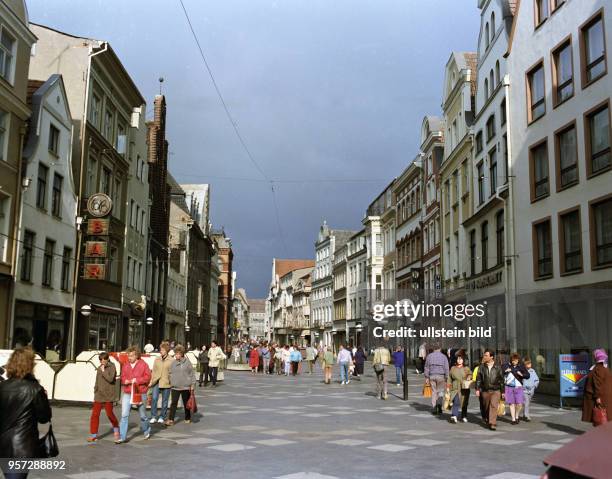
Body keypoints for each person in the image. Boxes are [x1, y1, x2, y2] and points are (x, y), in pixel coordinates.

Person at [0, 348, 52, 478]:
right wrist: (43, 398)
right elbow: (44, 417)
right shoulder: (35, 389)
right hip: (22, 446)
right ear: (29, 365)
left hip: (3, 444)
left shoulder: (2, 386)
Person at [117, 346, 151, 443]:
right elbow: (122, 377)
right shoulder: (126, 365)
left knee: (143, 415)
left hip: (140, 392)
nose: (129, 358)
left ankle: (146, 429)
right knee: (124, 415)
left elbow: (148, 377)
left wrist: (137, 380)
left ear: (136, 355)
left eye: (131, 356)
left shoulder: (143, 364)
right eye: (128, 356)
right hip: (128, 392)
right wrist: (125, 381)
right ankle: (122, 437)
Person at [88, 352, 119, 442]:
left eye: (104, 359)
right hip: (99, 395)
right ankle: (93, 434)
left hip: (108, 395)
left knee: (109, 414)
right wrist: (95, 390)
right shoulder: (99, 368)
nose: (102, 361)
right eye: (101, 359)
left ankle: (116, 427)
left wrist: (103, 371)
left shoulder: (112, 367)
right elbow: (97, 380)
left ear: (108, 358)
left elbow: (110, 379)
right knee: (95, 415)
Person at [166, 345, 196, 426]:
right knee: (173, 403)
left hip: (186, 387)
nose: (176, 355)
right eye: (176, 354)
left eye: (178, 354)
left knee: (186, 403)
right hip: (175, 387)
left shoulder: (187, 362)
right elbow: (169, 373)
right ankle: (171, 419)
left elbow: (192, 374)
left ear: (182, 354)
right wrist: (170, 381)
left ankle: (187, 417)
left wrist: (192, 384)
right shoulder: (173, 363)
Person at [475, 348, 505, 431]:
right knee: (486, 406)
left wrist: (503, 391)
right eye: (484, 355)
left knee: (493, 405)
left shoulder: (498, 367)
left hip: (496, 390)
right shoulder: (481, 367)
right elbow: (478, 379)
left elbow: (502, 380)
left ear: (491, 357)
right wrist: (477, 389)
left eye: (486, 355)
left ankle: (492, 423)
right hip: (485, 390)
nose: (484, 356)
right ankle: (487, 418)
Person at [582, 348, 612, 426]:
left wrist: (598, 397)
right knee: (603, 416)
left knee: (601, 416)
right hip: (605, 396)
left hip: (602, 397)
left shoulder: (598, 369)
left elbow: (597, 384)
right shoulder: (602, 368)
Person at [502, 353, 530, 425]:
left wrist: (522, 375)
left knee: (519, 404)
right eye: (513, 360)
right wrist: (505, 371)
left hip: (518, 387)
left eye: (516, 360)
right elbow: (501, 372)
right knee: (511, 403)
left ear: (518, 360)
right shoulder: (507, 365)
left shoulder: (521, 366)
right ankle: (513, 419)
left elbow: (528, 375)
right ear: (511, 360)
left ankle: (517, 415)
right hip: (509, 387)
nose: (514, 361)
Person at [149, 341, 173, 424]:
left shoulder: (171, 360)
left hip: (166, 382)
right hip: (156, 382)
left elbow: (172, 372)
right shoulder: (157, 359)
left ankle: (162, 416)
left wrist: (171, 381)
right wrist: (151, 381)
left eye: (162, 350)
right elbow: (153, 371)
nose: (161, 351)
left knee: (165, 401)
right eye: (160, 350)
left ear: (166, 351)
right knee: (154, 399)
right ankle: (153, 416)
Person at [446, 353, 471, 423]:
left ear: (464, 360)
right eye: (458, 359)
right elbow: (449, 378)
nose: (459, 360)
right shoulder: (453, 368)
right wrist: (448, 386)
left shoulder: (466, 368)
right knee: (456, 401)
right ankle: (454, 416)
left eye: (461, 359)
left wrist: (469, 377)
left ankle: (464, 416)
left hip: (464, 388)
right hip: (455, 388)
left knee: (464, 403)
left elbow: (470, 375)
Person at [424, 344, 449, 415]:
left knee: (434, 392)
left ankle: (434, 407)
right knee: (440, 392)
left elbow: (426, 367)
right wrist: (447, 377)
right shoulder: (444, 357)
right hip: (441, 376)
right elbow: (446, 368)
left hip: (432, 376)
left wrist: (426, 377)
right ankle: (439, 406)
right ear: (440, 349)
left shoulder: (429, 356)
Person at [522, 357, 539, 422]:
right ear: (525, 364)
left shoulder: (533, 371)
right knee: (526, 402)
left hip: (531, 390)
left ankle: (524, 415)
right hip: (524, 390)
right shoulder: (523, 371)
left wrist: (535, 386)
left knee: (527, 403)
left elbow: (537, 380)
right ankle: (527, 416)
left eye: (530, 363)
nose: (530, 364)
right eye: (528, 363)